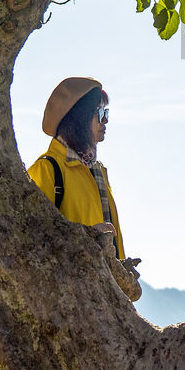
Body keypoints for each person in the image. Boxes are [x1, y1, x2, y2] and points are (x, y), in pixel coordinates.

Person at [28, 76, 141, 300]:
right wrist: (88, 238)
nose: (106, 121)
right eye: (100, 114)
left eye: (107, 114)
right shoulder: (46, 170)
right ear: (78, 120)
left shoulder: (97, 172)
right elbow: (32, 244)